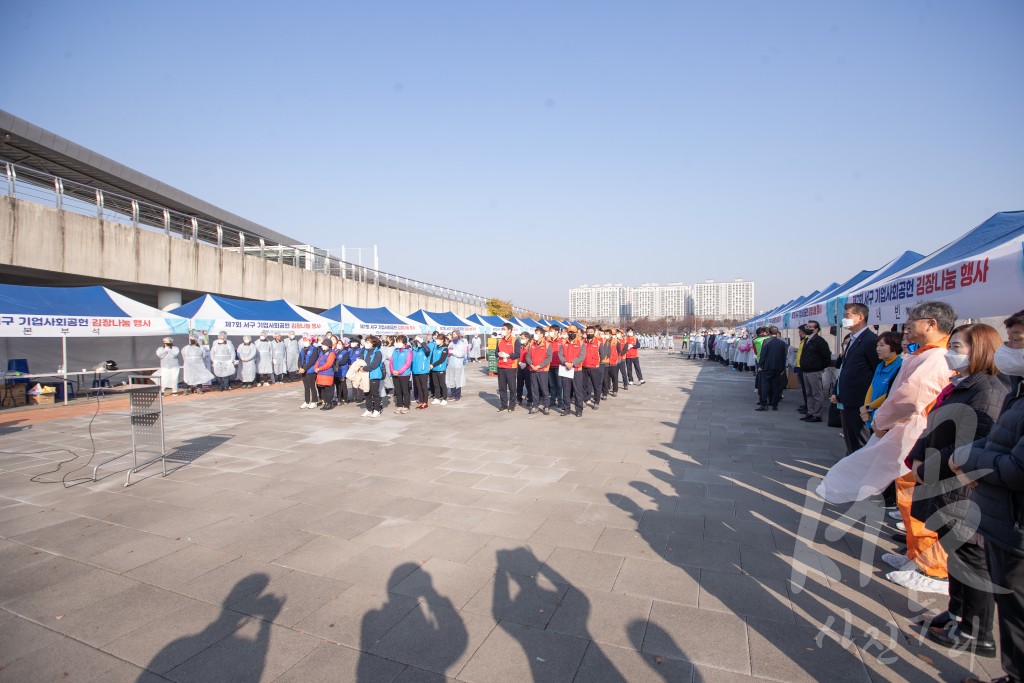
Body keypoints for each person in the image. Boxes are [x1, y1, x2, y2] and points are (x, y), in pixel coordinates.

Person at [901, 324, 1007, 644]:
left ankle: (975, 631)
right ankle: (957, 611)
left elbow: (973, 444)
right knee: (956, 554)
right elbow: (934, 424)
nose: (951, 352)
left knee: (970, 559)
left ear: (980, 352)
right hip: (944, 483)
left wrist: (929, 465)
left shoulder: (987, 391)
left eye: (958, 347)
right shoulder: (961, 384)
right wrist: (918, 456)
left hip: (963, 488)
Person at [815, 301, 957, 507]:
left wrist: (880, 420)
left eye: (912, 321)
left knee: (911, 491)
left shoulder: (935, 358)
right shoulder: (924, 355)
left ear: (931, 324)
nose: (907, 327)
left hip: (914, 431)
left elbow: (908, 399)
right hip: (902, 428)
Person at [955, 318, 1024, 683]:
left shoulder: (993, 388)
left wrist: (967, 457)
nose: (1009, 348)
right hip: (1001, 516)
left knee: (1017, 613)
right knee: (1011, 614)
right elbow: (998, 439)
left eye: (1017, 341)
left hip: (1014, 521)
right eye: (1009, 339)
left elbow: (1016, 467)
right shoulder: (1017, 390)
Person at [858, 331, 905, 508]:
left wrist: (869, 407)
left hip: (886, 417)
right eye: (877, 345)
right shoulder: (881, 365)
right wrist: (866, 407)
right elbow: (872, 387)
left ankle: (892, 499)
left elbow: (890, 394)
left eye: (882, 345)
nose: (878, 349)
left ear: (894, 347)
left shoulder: (900, 366)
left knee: (888, 459)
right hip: (873, 415)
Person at [833, 304, 880, 453]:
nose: (844, 319)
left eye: (847, 316)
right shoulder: (853, 339)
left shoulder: (870, 340)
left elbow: (876, 371)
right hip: (847, 399)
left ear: (860, 317)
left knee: (861, 442)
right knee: (851, 440)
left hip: (860, 401)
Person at [799, 320, 831, 423]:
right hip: (805, 370)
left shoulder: (820, 341)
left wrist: (819, 367)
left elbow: (826, 357)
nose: (808, 328)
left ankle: (817, 415)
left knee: (817, 394)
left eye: (811, 327)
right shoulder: (807, 340)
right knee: (808, 393)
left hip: (814, 371)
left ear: (816, 329)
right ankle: (810, 412)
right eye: (807, 326)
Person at [558, 325, 587, 417]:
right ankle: (566, 409)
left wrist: (572, 363)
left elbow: (582, 356)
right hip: (565, 369)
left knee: (578, 391)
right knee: (566, 390)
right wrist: (566, 362)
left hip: (576, 369)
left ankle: (579, 410)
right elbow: (560, 355)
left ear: (576, 333)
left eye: (573, 332)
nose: (571, 334)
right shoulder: (563, 343)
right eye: (570, 332)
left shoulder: (581, 343)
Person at [755, 327, 787, 411]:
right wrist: (783, 368)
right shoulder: (782, 343)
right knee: (776, 386)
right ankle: (774, 405)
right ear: (777, 333)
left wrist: (760, 365)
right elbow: (784, 356)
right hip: (778, 367)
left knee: (765, 385)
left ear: (768, 332)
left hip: (767, 367)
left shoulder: (766, 342)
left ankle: (764, 404)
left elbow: (763, 354)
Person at [525, 327, 552, 415]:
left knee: (544, 389)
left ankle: (546, 406)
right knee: (534, 389)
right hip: (532, 370)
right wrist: (531, 365)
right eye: (535, 333)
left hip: (543, 370)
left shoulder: (547, 345)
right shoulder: (531, 344)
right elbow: (528, 356)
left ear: (542, 335)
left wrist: (539, 366)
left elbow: (549, 358)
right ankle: (535, 406)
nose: (535, 335)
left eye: (537, 333)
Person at [495, 323, 520, 412]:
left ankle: (512, 404)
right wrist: (498, 354)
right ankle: (504, 404)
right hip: (501, 365)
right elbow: (496, 352)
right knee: (502, 387)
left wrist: (508, 355)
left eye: (504, 329)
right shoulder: (499, 340)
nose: (502, 330)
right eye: (502, 329)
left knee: (512, 387)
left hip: (511, 366)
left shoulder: (515, 340)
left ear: (509, 330)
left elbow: (517, 354)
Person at [361, 336, 385, 417]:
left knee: (375, 393)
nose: (366, 344)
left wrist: (364, 368)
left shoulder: (378, 352)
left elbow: (375, 364)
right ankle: (368, 409)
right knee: (367, 393)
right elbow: (361, 360)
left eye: (368, 342)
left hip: (374, 375)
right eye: (366, 342)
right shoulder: (365, 351)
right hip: (365, 375)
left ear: (373, 343)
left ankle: (377, 410)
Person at [582, 326, 603, 410]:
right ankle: (584, 399)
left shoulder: (598, 343)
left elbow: (602, 354)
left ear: (594, 333)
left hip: (594, 367)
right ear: (586, 333)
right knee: (584, 385)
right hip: (584, 366)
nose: (589, 333)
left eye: (591, 332)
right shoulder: (582, 342)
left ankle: (596, 401)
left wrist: (597, 362)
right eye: (588, 332)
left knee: (596, 385)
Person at [390, 335, 413, 414]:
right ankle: (399, 405)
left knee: (405, 390)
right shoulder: (395, 351)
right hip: (395, 374)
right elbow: (391, 362)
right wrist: (392, 370)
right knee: (398, 391)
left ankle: (406, 406)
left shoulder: (408, 351)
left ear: (404, 342)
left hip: (404, 374)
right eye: (397, 341)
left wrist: (399, 371)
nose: (398, 343)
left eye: (399, 341)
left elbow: (407, 364)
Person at [312, 338, 336, 410]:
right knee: (323, 390)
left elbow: (329, 364)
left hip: (327, 374)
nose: (322, 346)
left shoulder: (331, 353)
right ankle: (325, 403)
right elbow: (317, 362)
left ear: (328, 345)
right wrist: (316, 368)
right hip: (321, 374)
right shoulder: (322, 353)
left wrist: (320, 368)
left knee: (328, 390)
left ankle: (329, 403)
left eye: (324, 345)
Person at [298, 335, 320, 408]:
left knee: (312, 386)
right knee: (306, 387)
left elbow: (312, 360)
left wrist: (305, 368)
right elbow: (300, 359)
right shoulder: (302, 349)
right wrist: (300, 367)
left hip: (310, 370)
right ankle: (306, 401)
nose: (305, 342)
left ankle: (314, 401)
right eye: (304, 340)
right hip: (303, 370)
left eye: (306, 340)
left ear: (310, 341)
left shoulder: (314, 349)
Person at [446, 331, 468, 402]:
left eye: (455, 334)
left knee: (458, 380)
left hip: (458, 365)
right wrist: (449, 353)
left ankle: (458, 396)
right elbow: (448, 351)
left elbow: (462, 354)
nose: (454, 335)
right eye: (453, 334)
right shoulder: (451, 343)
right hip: (451, 364)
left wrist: (453, 352)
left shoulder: (461, 344)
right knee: (451, 380)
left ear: (458, 335)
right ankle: (452, 394)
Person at [411, 335, 432, 410]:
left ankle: (425, 402)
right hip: (415, 370)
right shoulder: (415, 349)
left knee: (424, 387)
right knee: (418, 387)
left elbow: (427, 350)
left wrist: (422, 341)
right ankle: (421, 401)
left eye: (418, 341)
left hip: (423, 371)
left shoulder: (425, 350)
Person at [428, 332, 449, 406]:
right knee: (435, 384)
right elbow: (432, 356)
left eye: (439, 339)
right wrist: (430, 364)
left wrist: (433, 365)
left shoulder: (445, 348)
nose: (437, 340)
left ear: (442, 340)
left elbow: (442, 359)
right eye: (437, 339)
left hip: (440, 369)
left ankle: (444, 398)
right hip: (434, 369)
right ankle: (436, 398)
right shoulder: (435, 347)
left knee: (442, 384)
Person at [515, 331, 532, 407]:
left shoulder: (531, 346)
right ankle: (519, 399)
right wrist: (519, 363)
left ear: (527, 338)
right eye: (521, 338)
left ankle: (530, 399)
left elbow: (532, 357)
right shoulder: (520, 346)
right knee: (519, 384)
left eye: (523, 338)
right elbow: (517, 355)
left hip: (528, 367)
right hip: (520, 367)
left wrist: (526, 364)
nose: (521, 339)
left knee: (529, 385)